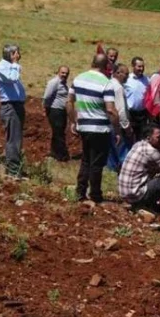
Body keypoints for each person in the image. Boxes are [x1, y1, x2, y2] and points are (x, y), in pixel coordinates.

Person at [69, 54, 120, 204]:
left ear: (92, 63)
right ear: (106, 67)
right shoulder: (106, 83)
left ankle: (80, 191)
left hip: (83, 126)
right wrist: (117, 130)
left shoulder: (78, 79)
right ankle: (95, 195)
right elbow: (110, 110)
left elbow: (69, 102)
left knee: (86, 160)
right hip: (100, 127)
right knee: (97, 163)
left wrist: (73, 121)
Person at [117, 124, 160, 212]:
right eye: (158, 138)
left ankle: (145, 202)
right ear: (148, 138)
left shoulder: (138, 144)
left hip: (125, 192)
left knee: (155, 172)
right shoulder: (151, 152)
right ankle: (146, 204)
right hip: (135, 194)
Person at [0, 43, 26, 178]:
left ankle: (13, 166)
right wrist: (15, 63)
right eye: (16, 53)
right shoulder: (2, 68)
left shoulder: (10, 67)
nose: (19, 55)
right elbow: (12, 79)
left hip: (16, 106)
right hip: (10, 106)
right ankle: (13, 170)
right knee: (13, 138)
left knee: (16, 137)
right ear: (10, 54)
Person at [106, 64, 132, 172]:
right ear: (117, 73)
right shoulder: (118, 88)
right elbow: (121, 110)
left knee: (111, 151)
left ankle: (111, 171)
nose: (127, 77)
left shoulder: (108, 84)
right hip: (117, 125)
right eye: (125, 74)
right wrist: (126, 127)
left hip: (107, 123)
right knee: (122, 150)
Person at [42, 66, 71, 161]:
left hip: (62, 111)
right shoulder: (54, 82)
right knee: (59, 133)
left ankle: (54, 153)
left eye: (66, 73)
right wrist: (46, 108)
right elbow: (47, 96)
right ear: (58, 72)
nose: (64, 75)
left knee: (58, 132)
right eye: (62, 73)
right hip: (55, 111)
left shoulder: (64, 84)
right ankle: (62, 155)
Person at [125, 57, 150, 138]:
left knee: (142, 137)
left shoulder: (147, 80)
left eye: (143, 66)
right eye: (139, 66)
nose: (141, 69)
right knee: (130, 137)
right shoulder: (127, 79)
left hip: (143, 114)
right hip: (131, 115)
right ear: (133, 66)